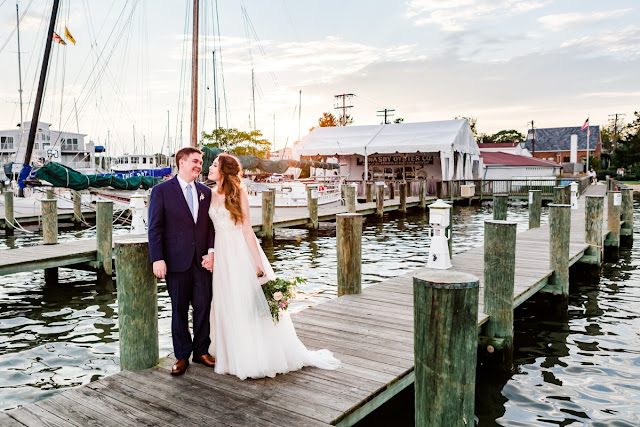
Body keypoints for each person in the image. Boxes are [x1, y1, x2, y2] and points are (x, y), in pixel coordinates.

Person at [207, 153, 341, 380]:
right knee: (225, 301)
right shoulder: (209, 194)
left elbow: (247, 229)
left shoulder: (239, 192)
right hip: (221, 252)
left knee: (244, 301)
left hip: (240, 251)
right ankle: (229, 355)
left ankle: (251, 356)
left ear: (225, 170)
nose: (209, 167)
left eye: (214, 164)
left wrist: (258, 264)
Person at [148, 147, 216, 376]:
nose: (200, 165)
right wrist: (157, 258)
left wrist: (211, 252)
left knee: (203, 307)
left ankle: (201, 351)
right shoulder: (162, 191)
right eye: (196, 161)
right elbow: (155, 228)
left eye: (201, 162)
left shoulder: (206, 192)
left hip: (202, 263)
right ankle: (181, 356)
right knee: (178, 310)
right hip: (176, 263)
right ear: (182, 162)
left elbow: (210, 228)